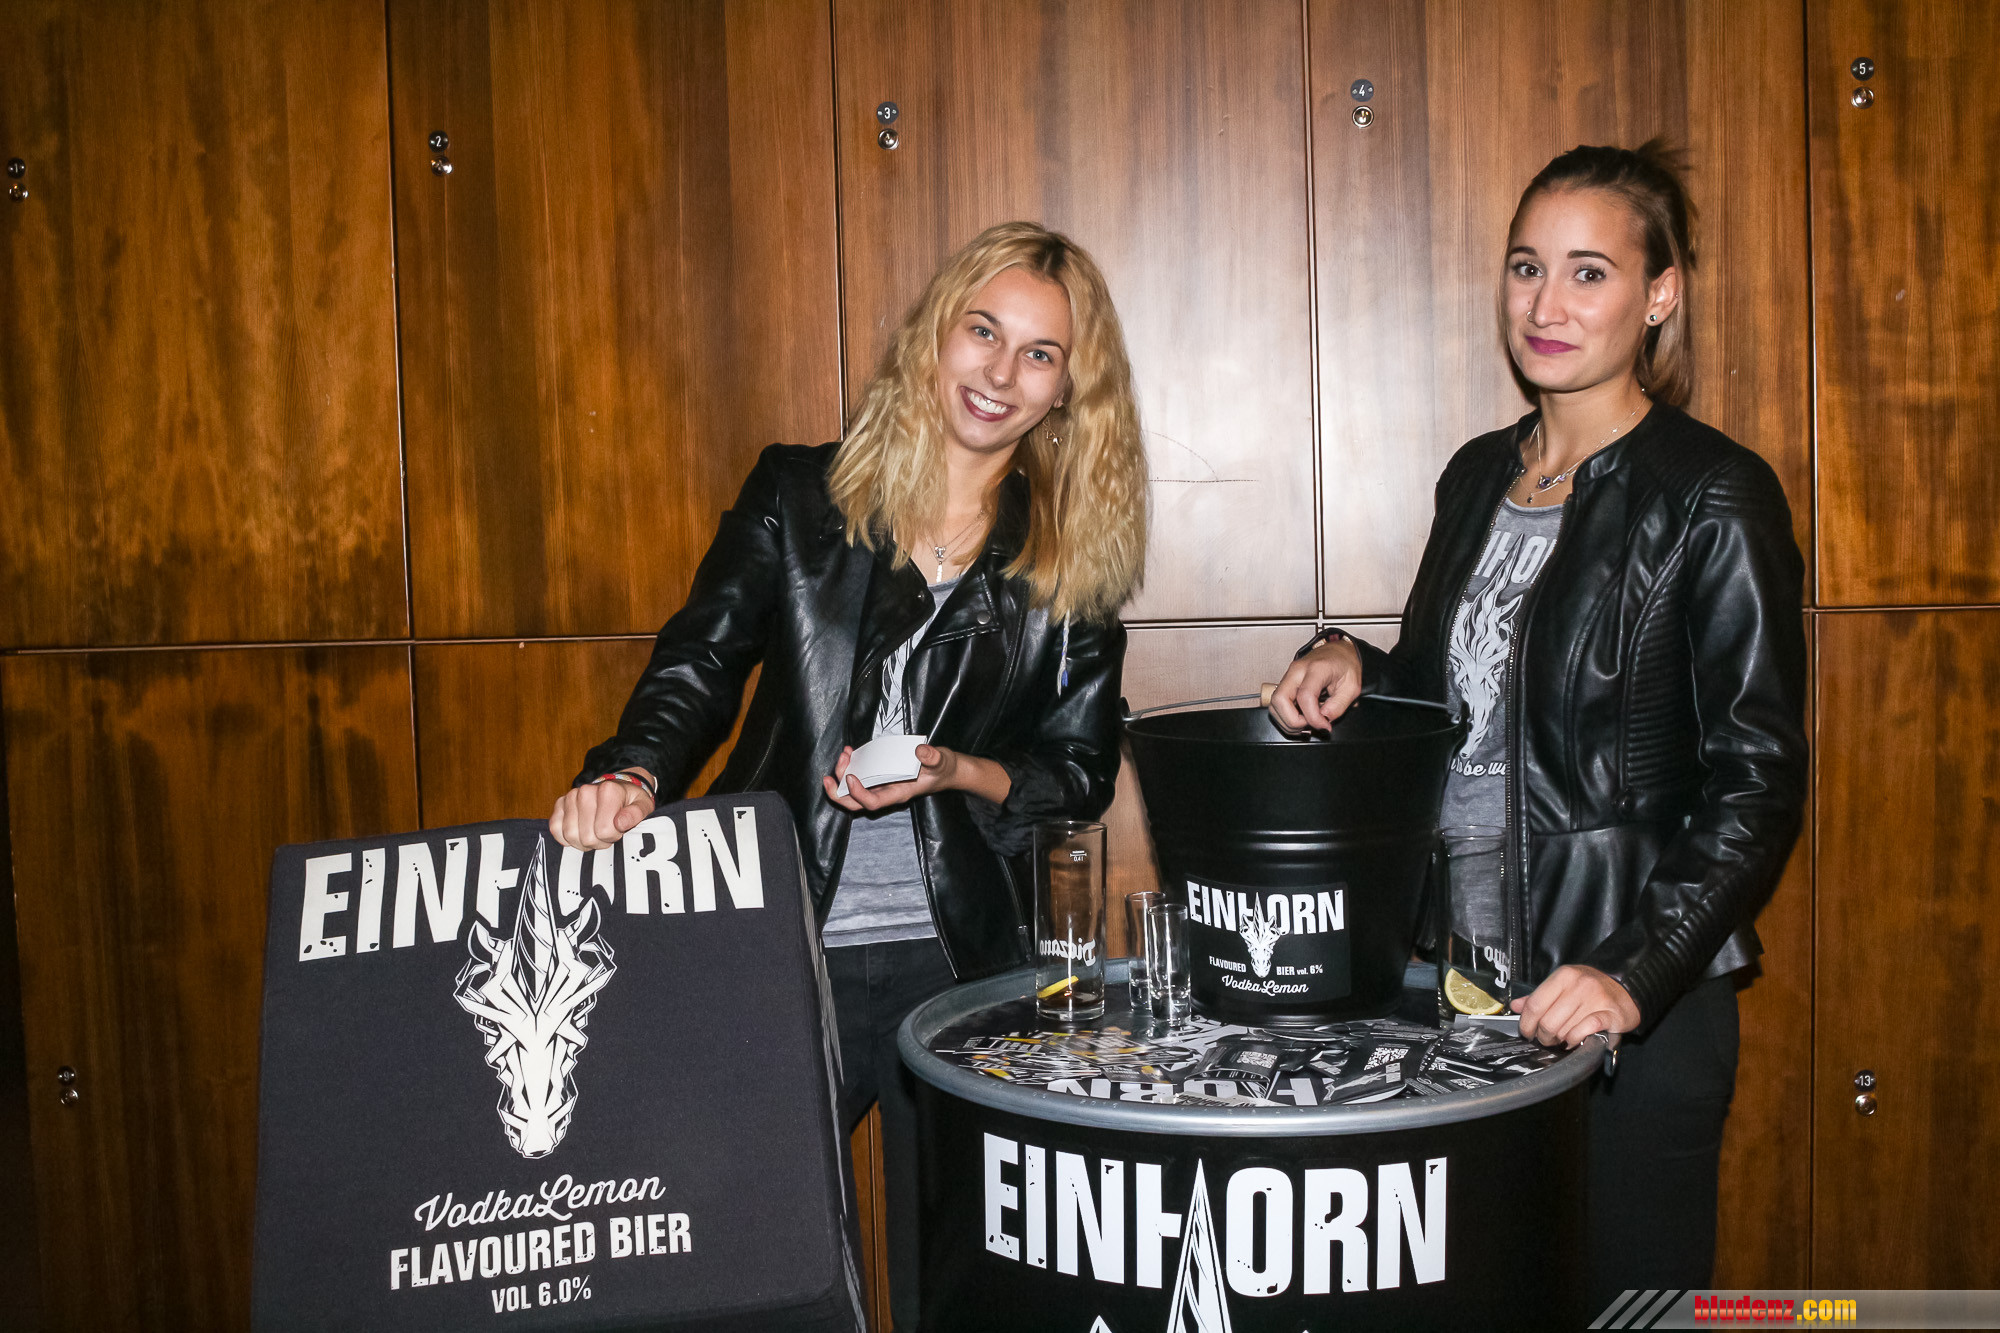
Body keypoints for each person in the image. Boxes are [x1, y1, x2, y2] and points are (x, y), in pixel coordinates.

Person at [549, 220, 1148, 1327]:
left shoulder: (1069, 559)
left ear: (1068, 389)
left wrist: (955, 769)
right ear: (935, 333)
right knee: (755, 1266)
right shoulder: (798, 495)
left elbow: (1078, 773)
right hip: (782, 943)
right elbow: (700, 661)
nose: (1000, 373)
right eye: (983, 331)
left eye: (1039, 354)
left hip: (961, 962)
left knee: (964, 1284)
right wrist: (631, 772)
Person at [1267, 142, 1806, 1306]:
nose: (1544, 305)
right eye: (1525, 268)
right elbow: (1449, 700)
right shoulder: (1474, 476)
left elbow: (1757, 780)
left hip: (1623, 1002)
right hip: (1461, 990)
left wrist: (1630, 973)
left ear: (1658, 294)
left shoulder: (1710, 491)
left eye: (1586, 272)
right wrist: (1352, 661)